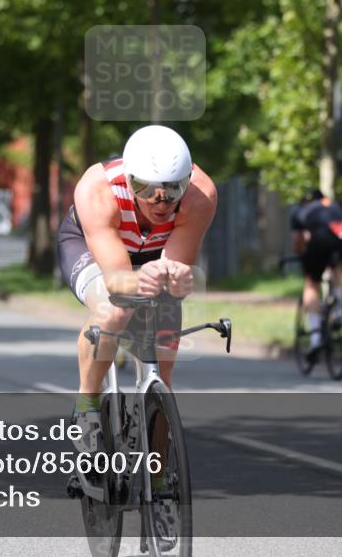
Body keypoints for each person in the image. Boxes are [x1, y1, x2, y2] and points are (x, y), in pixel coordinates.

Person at [57, 125, 217, 449]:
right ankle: (87, 404)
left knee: (163, 373)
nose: (161, 203)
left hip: (154, 252)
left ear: (187, 180)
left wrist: (179, 278)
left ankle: (157, 468)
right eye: (147, 190)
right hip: (94, 250)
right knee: (114, 310)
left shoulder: (200, 194)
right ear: (130, 181)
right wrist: (141, 279)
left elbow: (175, 273)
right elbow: (117, 280)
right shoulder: (97, 189)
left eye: (173, 190)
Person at [290, 189, 342, 362]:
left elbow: (298, 242)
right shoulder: (332, 205)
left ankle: (316, 339)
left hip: (320, 239)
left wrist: (302, 257)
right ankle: (338, 310)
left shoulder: (301, 211)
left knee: (311, 283)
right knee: (335, 266)